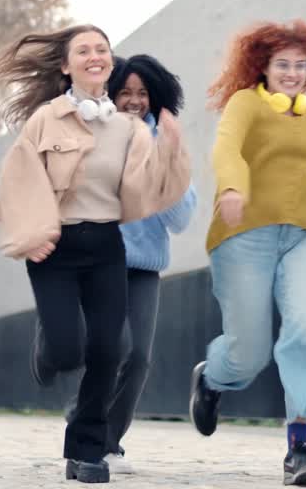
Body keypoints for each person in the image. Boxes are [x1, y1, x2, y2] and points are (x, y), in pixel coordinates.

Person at [0, 25, 191, 484]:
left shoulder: (128, 129)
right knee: (67, 348)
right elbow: (18, 181)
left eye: (102, 49)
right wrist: (31, 235)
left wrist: (170, 152)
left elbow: (147, 191)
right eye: (84, 50)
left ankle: (86, 451)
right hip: (53, 245)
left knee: (111, 348)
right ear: (66, 65)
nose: (95, 55)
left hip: (105, 247)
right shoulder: (46, 119)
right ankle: (48, 351)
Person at [187, 19, 306, 487]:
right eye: (283, 65)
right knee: (248, 353)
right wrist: (233, 187)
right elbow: (226, 148)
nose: (293, 73)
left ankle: (300, 446)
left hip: (302, 236)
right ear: (264, 67)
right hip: (243, 234)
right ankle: (212, 378)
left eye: (301, 65)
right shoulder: (245, 103)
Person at [99, 54, 197, 474]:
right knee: (107, 350)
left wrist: (166, 158)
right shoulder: (97, 135)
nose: (134, 101)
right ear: (112, 96)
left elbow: (180, 220)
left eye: (142, 93)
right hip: (98, 261)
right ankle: (91, 431)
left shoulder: (166, 142)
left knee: (137, 356)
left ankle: (106, 439)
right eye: (126, 93)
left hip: (143, 268)